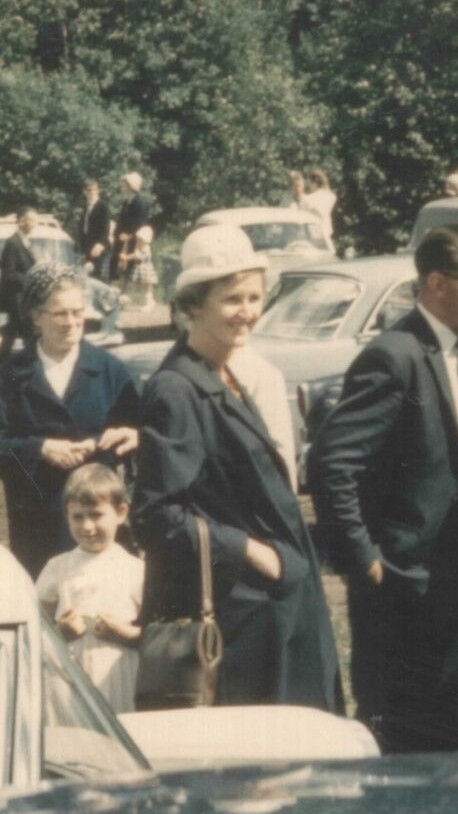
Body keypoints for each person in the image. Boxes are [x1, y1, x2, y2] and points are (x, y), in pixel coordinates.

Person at [308, 222, 458, 750]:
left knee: (449, 725)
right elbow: (331, 462)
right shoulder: (394, 356)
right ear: (437, 283)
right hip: (405, 586)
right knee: (402, 733)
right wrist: (364, 557)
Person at [136, 225, 341, 712]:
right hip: (239, 620)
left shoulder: (225, 373)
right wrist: (248, 549)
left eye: (254, 297)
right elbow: (156, 516)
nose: (247, 311)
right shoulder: (176, 390)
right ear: (192, 305)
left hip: (272, 612)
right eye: (232, 299)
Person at [0, 263, 142, 578]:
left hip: (98, 523)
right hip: (38, 518)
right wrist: (40, 448)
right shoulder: (11, 375)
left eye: (78, 312)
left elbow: (139, 435)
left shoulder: (111, 371)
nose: (71, 322)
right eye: (60, 314)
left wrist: (126, 440)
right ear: (35, 317)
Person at [35, 463, 145, 712]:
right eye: (78, 517)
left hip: (118, 673)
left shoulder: (135, 569)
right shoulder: (58, 567)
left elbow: (154, 636)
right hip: (69, 675)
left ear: (121, 512)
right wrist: (60, 632)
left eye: (96, 514)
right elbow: (36, 623)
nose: (87, 527)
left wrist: (124, 634)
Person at [0, 207, 41, 364]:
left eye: (35, 220)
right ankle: (34, 364)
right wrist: (31, 276)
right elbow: (9, 274)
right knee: (29, 332)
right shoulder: (13, 243)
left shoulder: (25, 241)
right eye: (31, 220)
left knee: (11, 334)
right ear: (21, 221)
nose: (35, 223)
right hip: (15, 298)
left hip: (23, 296)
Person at [113, 172, 151, 279]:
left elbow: (142, 226)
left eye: (124, 184)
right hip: (123, 241)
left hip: (135, 243)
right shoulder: (127, 202)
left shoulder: (140, 203)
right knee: (120, 273)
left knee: (130, 275)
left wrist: (129, 235)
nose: (122, 186)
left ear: (130, 185)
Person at [77, 179, 112, 277]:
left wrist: (100, 244)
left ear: (98, 191)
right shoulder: (85, 207)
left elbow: (106, 228)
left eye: (95, 190)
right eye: (89, 190)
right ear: (84, 192)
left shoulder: (103, 206)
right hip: (88, 247)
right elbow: (83, 228)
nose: (92, 192)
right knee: (89, 277)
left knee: (100, 278)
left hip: (100, 247)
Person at [302, 170, 338, 248]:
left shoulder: (308, 199)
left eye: (309, 183)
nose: (308, 186)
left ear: (314, 183)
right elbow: (331, 194)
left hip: (313, 237)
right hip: (326, 234)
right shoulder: (330, 197)